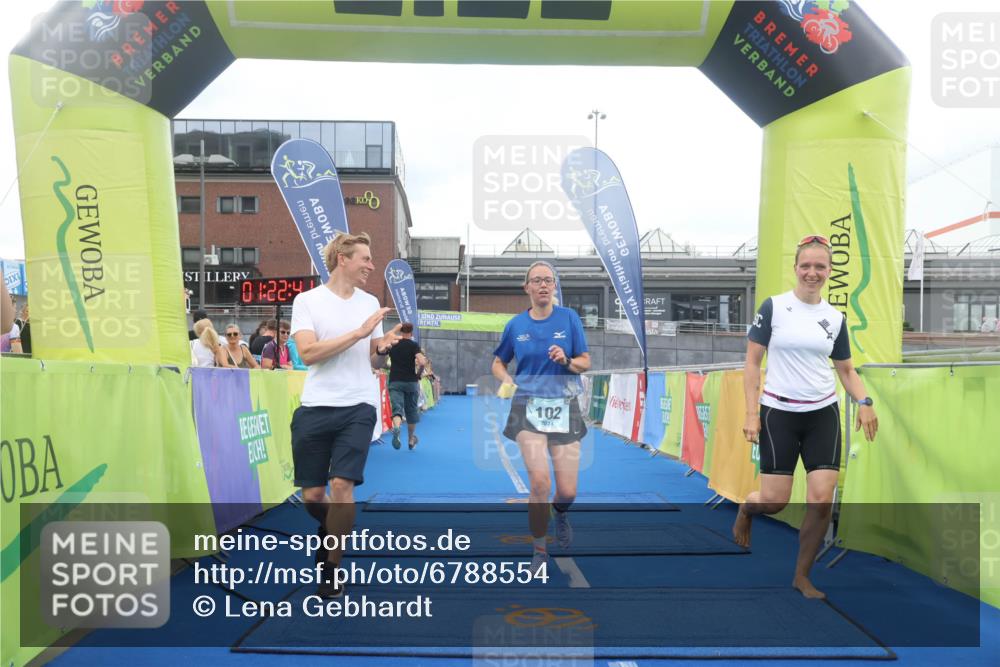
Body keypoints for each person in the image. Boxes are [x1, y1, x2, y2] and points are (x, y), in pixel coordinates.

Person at [733, 234, 879, 600]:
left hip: (822, 414)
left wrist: (865, 402)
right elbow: (752, 362)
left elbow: (846, 370)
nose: (812, 272)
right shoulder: (774, 308)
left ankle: (802, 576)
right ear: (796, 268)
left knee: (821, 499)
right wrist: (752, 414)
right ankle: (748, 508)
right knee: (775, 501)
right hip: (778, 413)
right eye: (806, 266)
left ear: (829, 271)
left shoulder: (834, 317)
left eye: (820, 266)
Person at [290, 232, 402, 598]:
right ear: (342, 258)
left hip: (358, 405)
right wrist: (359, 333)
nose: (371, 266)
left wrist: (382, 347)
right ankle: (334, 529)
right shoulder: (307, 301)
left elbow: (372, 356)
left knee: (341, 487)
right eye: (365, 259)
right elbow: (307, 354)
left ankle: (331, 569)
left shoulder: (370, 302)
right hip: (315, 405)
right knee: (313, 497)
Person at [491, 261, 590, 573]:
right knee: (539, 481)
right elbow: (498, 362)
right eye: (537, 280)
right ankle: (539, 549)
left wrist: (568, 359)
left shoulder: (569, 319)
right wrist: (506, 379)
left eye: (549, 280)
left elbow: (585, 362)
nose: (544, 285)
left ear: (555, 286)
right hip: (526, 406)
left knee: (568, 491)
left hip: (564, 406)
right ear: (527, 288)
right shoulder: (516, 325)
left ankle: (559, 512)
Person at [387, 322, 424, 450]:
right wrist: (418, 374)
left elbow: (384, 361)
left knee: (397, 409)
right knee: (411, 411)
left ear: (401, 331)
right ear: (411, 333)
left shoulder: (393, 345)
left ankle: (397, 427)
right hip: (411, 382)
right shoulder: (414, 345)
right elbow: (422, 362)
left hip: (395, 380)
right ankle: (410, 439)